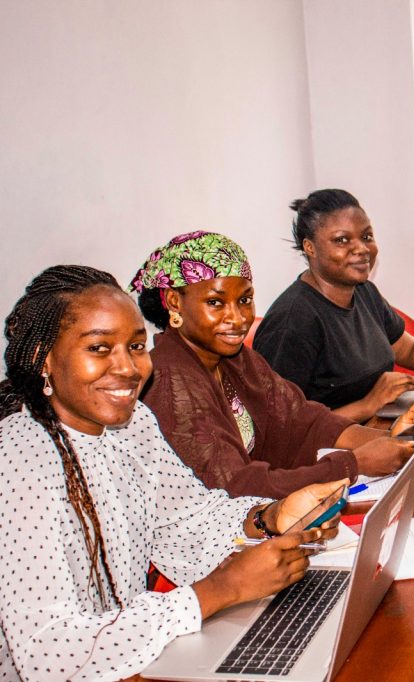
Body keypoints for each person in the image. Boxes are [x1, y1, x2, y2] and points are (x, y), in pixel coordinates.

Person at [0, 265, 347, 679]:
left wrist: (268, 517)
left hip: (134, 661)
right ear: (42, 358)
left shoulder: (133, 424)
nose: (128, 368)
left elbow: (185, 518)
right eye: (99, 348)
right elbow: (47, 653)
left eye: (135, 346)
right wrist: (218, 592)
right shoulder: (18, 462)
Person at [132, 231, 414, 499]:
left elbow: (301, 420)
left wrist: (389, 440)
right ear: (173, 302)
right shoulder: (169, 381)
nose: (238, 318)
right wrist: (352, 464)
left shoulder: (232, 358)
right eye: (216, 303)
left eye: (244, 300)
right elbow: (233, 486)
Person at [252, 189, 414, 421]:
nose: (361, 249)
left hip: (382, 424)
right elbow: (281, 427)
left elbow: (407, 348)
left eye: (366, 236)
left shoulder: (363, 291)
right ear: (310, 247)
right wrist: (368, 405)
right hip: (334, 453)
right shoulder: (292, 322)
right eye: (342, 240)